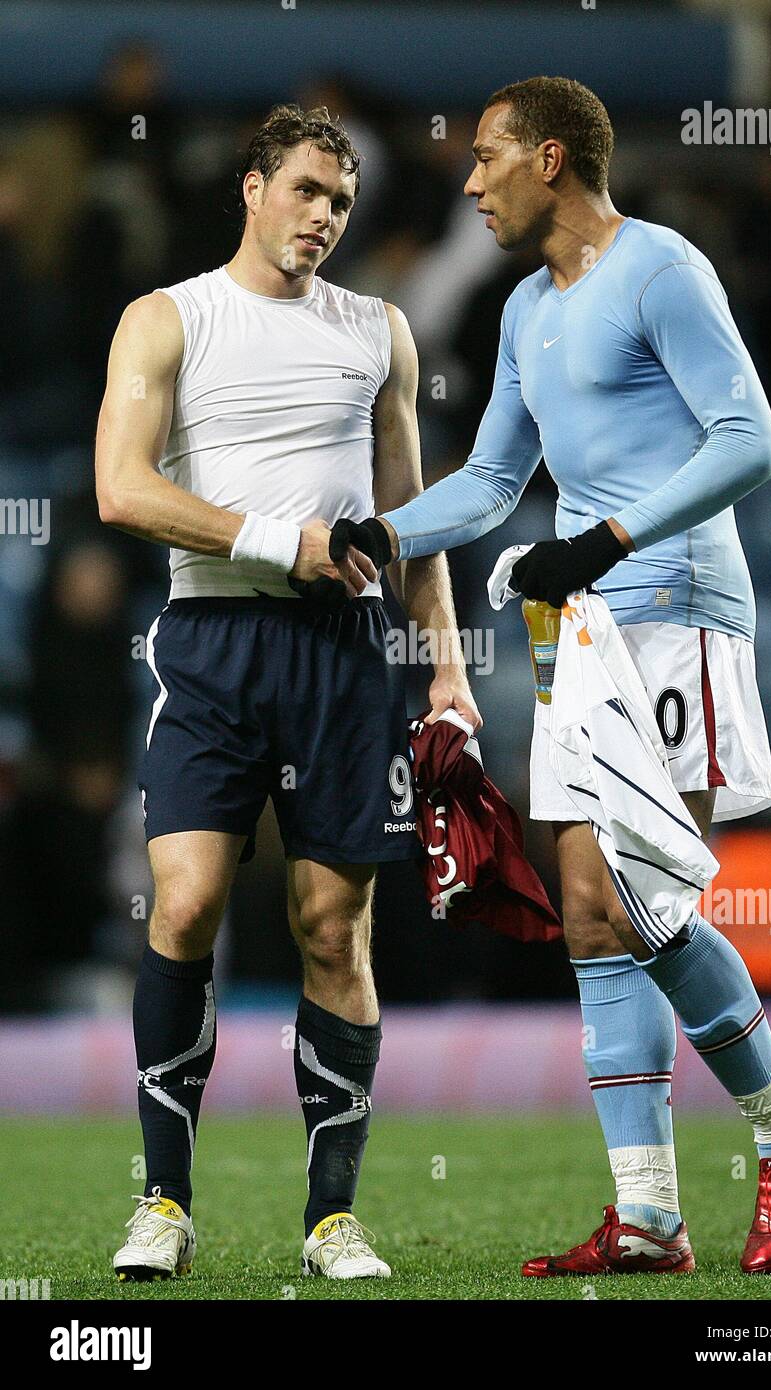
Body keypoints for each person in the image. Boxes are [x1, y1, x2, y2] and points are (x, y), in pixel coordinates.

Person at [333, 77, 771, 1276]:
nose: (468, 181)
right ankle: (651, 1215)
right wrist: (386, 531)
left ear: (550, 158)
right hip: (585, 630)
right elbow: (495, 482)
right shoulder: (522, 312)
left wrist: (607, 540)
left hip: (677, 613)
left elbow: (751, 438)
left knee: (645, 904)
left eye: (488, 158)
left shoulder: (660, 268)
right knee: (591, 917)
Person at [95, 103, 479, 1282]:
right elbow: (120, 488)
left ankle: (330, 1218)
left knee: (332, 927)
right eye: (308, 191)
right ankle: (163, 1200)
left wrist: (449, 669)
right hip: (210, 640)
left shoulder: (378, 331)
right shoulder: (167, 318)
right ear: (255, 186)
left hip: (344, 650)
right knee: (184, 904)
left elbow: (410, 518)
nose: (325, 217)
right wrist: (282, 541)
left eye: (343, 203)